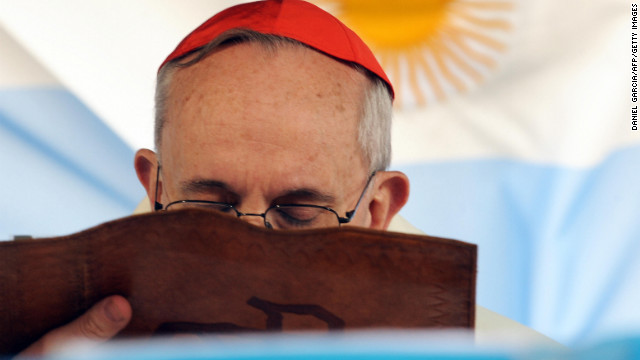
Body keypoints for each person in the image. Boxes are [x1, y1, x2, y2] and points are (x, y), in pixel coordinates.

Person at [19, 0, 558, 356]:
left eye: (297, 213)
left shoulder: (506, 355)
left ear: (377, 208)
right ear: (156, 187)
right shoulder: (55, 342)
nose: (246, 254)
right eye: (211, 205)